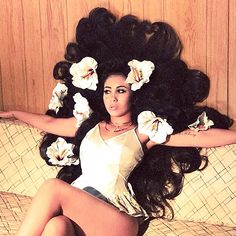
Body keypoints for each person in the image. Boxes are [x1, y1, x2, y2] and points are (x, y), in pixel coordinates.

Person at [0, 7, 236, 236]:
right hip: (80, 211)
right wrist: (14, 113)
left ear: (134, 95)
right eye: (107, 91)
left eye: (121, 91)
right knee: (56, 226)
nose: (112, 98)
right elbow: (49, 124)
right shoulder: (88, 125)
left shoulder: (144, 131)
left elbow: (195, 136)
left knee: (52, 187)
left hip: (116, 216)